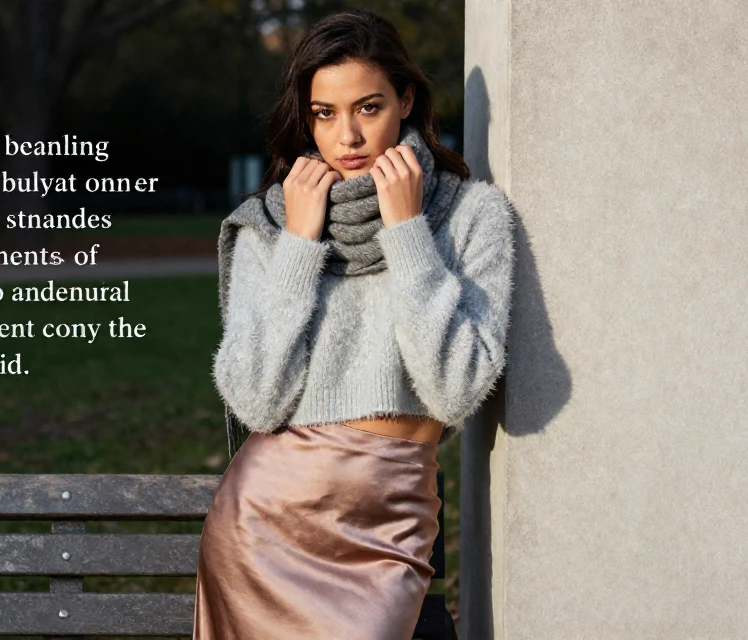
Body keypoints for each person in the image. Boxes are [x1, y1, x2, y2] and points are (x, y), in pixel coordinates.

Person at [194, 8, 517, 639]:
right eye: (324, 114)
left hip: (392, 519)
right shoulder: (270, 224)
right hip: (266, 530)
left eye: (368, 108)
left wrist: (407, 234)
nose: (347, 137)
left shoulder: (471, 217)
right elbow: (258, 402)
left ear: (405, 100)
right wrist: (298, 244)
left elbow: (456, 389)